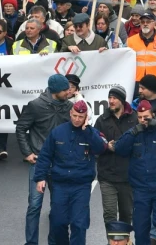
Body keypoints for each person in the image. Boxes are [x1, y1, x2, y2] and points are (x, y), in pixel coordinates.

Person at [33, 100, 106, 245]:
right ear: (70, 113)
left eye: (81, 117)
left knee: (79, 224)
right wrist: (40, 177)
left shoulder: (92, 133)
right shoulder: (58, 132)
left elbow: (101, 148)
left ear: (86, 117)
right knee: (58, 222)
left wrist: (88, 130)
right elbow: (45, 155)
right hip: (60, 184)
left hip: (81, 186)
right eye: (75, 116)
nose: (77, 120)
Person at [111, 98, 156, 245]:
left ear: (153, 116)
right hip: (140, 189)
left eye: (146, 117)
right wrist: (133, 132)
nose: (143, 120)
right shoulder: (134, 133)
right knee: (140, 229)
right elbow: (119, 149)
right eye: (140, 117)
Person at [15, 73, 74, 245]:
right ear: (55, 91)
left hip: (60, 164)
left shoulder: (69, 107)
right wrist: (27, 153)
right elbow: (21, 128)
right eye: (65, 90)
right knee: (34, 206)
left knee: (58, 207)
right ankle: (31, 243)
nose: (69, 92)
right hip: (39, 161)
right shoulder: (35, 106)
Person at [93, 87, 136, 231]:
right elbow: (95, 144)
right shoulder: (102, 120)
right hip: (107, 176)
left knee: (126, 215)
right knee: (110, 215)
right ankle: (112, 241)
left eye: (115, 98)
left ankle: (124, 240)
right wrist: (106, 146)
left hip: (128, 176)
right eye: (109, 98)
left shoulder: (134, 118)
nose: (111, 101)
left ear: (122, 100)